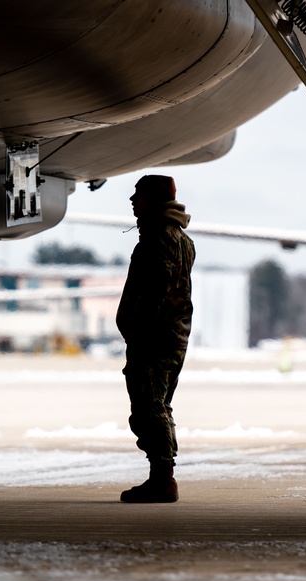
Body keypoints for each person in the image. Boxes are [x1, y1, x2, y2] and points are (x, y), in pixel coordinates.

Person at [116, 175, 195, 503]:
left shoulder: (160, 237)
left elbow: (156, 292)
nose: (133, 201)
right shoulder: (176, 237)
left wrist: (138, 331)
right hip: (165, 337)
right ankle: (161, 475)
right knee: (155, 405)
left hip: (155, 339)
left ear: (154, 199)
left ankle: (163, 479)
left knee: (151, 407)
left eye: (139, 195)